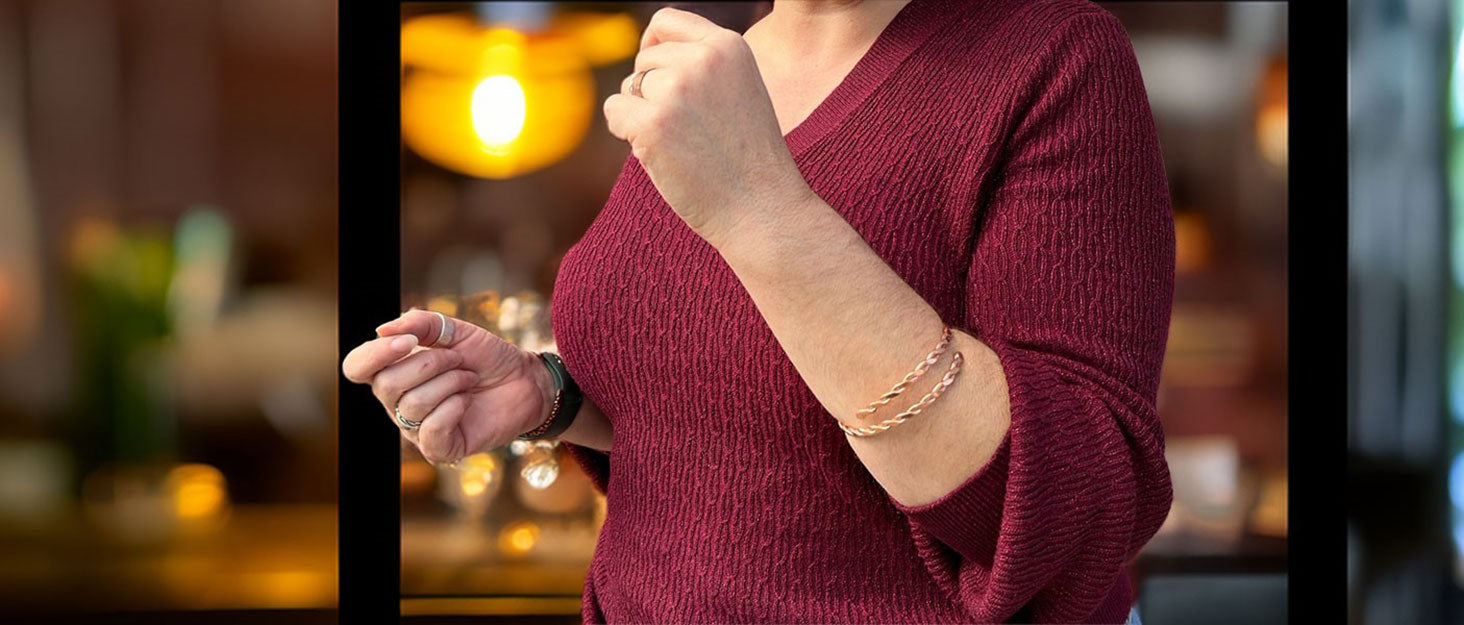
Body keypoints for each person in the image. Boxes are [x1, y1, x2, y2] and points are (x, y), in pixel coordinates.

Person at [344, 0, 1172, 622]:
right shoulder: (712, 61)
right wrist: (554, 396)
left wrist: (761, 207)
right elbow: (755, 410)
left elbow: (1079, 509)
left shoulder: (1052, 57)